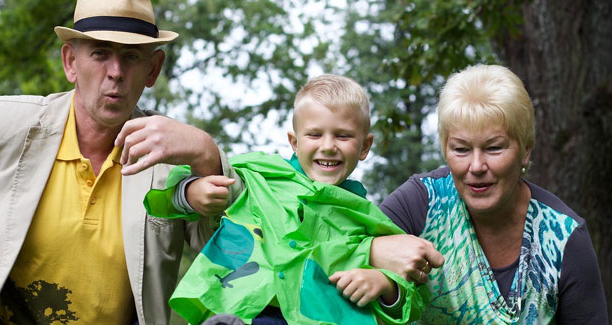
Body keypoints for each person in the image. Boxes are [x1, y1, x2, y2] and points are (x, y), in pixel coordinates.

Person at [0, 0, 236, 324]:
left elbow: (230, 255)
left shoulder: (173, 163)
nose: (116, 73)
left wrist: (206, 153)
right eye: (101, 53)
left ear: (153, 69)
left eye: (131, 56)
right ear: (70, 62)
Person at [144, 74, 438, 324]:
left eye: (343, 136)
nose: (328, 146)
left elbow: (415, 295)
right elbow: (181, 183)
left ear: (365, 146)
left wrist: (386, 286)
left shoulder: (367, 220)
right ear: (294, 142)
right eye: (314, 134)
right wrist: (191, 191)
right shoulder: (258, 176)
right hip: (247, 310)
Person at [372, 64, 608, 323]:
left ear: (525, 150)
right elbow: (338, 250)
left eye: (494, 148)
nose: (476, 167)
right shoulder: (420, 203)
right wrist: (373, 250)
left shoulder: (563, 238)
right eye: (461, 149)